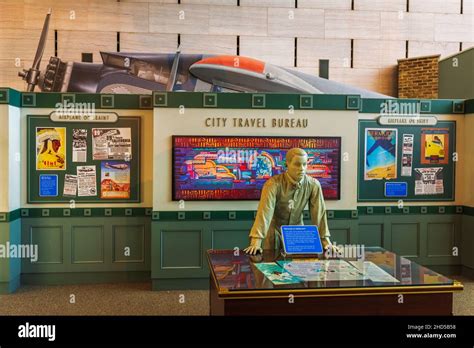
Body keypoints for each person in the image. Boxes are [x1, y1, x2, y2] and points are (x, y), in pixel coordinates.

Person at [244, 148, 338, 255]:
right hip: (274, 232)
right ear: (287, 164)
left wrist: (325, 241)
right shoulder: (273, 184)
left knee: (300, 268)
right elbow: (265, 211)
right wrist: (256, 241)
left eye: (304, 164)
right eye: (297, 164)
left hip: (298, 233)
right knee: (272, 267)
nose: (302, 168)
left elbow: (319, 213)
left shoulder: (313, 184)